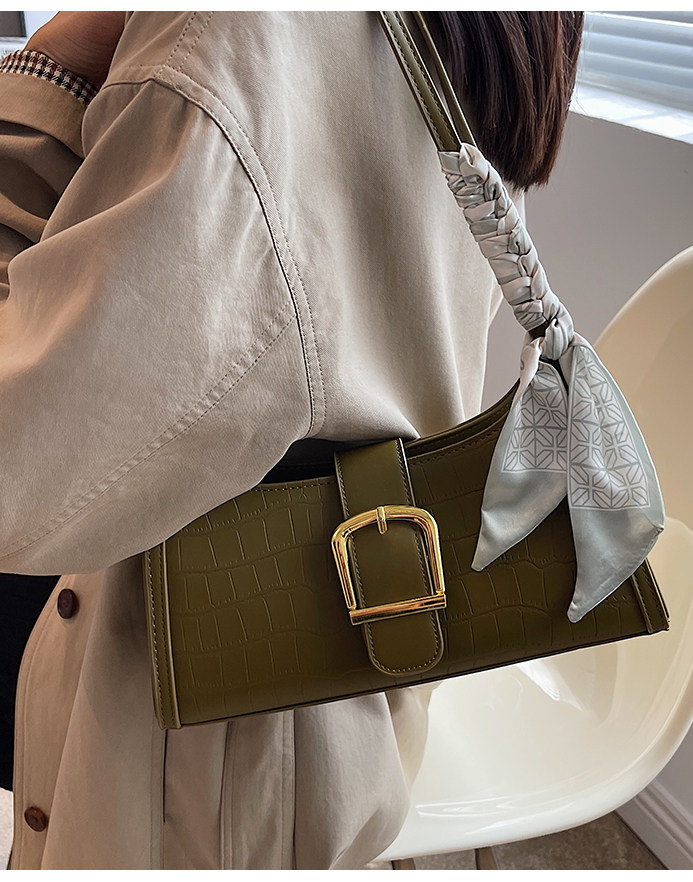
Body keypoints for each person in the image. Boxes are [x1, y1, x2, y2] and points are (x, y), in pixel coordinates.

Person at [0, 11, 582, 869]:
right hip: (350, 676)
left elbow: (20, 471)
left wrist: (41, 77)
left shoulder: (231, 37)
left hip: (205, 752)